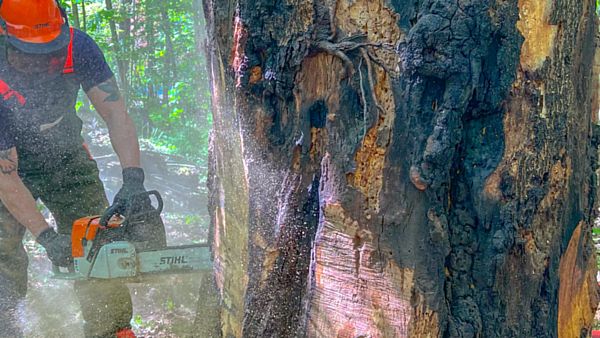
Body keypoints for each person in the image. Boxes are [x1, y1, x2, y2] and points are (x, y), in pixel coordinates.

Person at [0, 0, 151, 336]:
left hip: (65, 154)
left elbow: (115, 113)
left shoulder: (78, 46)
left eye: (49, 51)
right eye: (28, 53)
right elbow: (5, 177)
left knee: (97, 239)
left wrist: (133, 177)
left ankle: (111, 329)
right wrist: (47, 237)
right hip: (9, 164)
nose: (40, 61)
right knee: (2, 253)